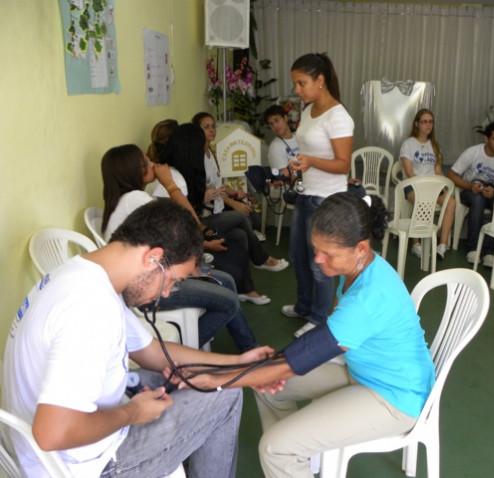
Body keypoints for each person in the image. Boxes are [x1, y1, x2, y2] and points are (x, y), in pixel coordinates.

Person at [3, 200, 274, 477]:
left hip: (57, 448)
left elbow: (152, 352)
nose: (167, 293)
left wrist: (235, 361)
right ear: (153, 258)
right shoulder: (90, 309)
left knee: (195, 381)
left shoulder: (83, 274)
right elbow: (52, 434)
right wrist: (132, 413)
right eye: (172, 280)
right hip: (84, 467)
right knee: (225, 396)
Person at [178, 192, 435, 478]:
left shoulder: (368, 298)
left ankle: (287, 456)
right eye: (316, 248)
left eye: (328, 254)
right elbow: (310, 349)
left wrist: (216, 380)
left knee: (275, 447)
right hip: (364, 371)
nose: (317, 259)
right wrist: (265, 369)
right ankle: (298, 460)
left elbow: (301, 356)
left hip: (394, 397)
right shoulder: (359, 267)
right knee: (269, 390)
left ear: (360, 248)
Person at [101, 144, 257, 351]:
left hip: (148, 278)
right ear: (134, 169)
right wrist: (169, 183)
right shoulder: (134, 199)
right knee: (228, 301)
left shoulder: (125, 200)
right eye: (146, 161)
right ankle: (184, 349)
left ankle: (249, 346)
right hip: (147, 290)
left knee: (225, 280)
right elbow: (184, 225)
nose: (153, 163)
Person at [152, 122, 288, 304]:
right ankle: (259, 260)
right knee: (239, 217)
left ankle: (246, 289)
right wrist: (205, 241)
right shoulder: (172, 178)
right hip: (183, 236)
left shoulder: (182, 172)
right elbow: (185, 221)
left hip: (193, 226)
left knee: (239, 234)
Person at [282, 52, 354, 336]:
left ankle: (320, 318)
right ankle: (304, 306)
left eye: (301, 83)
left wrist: (310, 162)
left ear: (320, 81)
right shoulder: (309, 111)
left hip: (326, 200)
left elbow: (343, 164)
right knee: (298, 256)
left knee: (318, 264)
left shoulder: (339, 117)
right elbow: (309, 149)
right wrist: (299, 163)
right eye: (296, 84)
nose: (297, 90)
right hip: (306, 193)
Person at [448, 122, 494, 266]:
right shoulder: (473, 152)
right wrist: (470, 186)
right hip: (469, 189)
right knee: (478, 200)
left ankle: (490, 251)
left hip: (492, 190)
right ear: (486, 139)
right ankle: (473, 249)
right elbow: (452, 174)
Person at [191, 112, 264, 236]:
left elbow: (218, 185)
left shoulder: (211, 151)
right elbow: (209, 190)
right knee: (245, 223)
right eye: (206, 127)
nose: (212, 130)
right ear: (196, 130)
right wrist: (234, 203)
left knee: (255, 218)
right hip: (209, 210)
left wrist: (235, 193)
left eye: (213, 126)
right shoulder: (197, 157)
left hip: (220, 203)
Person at [399, 108, 456, 260]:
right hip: (413, 186)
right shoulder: (408, 144)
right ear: (417, 124)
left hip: (433, 187)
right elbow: (409, 172)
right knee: (422, 199)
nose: (428, 125)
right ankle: (416, 243)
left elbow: (437, 172)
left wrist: (444, 186)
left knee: (450, 202)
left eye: (430, 122)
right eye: (424, 122)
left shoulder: (435, 146)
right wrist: (423, 187)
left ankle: (442, 245)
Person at [264, 104, 300, 171]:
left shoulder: (299, 137)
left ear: (285, 118)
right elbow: (285, 176)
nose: (275, 126)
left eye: (276, 120)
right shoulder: (275, 146)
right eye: (271, 124)